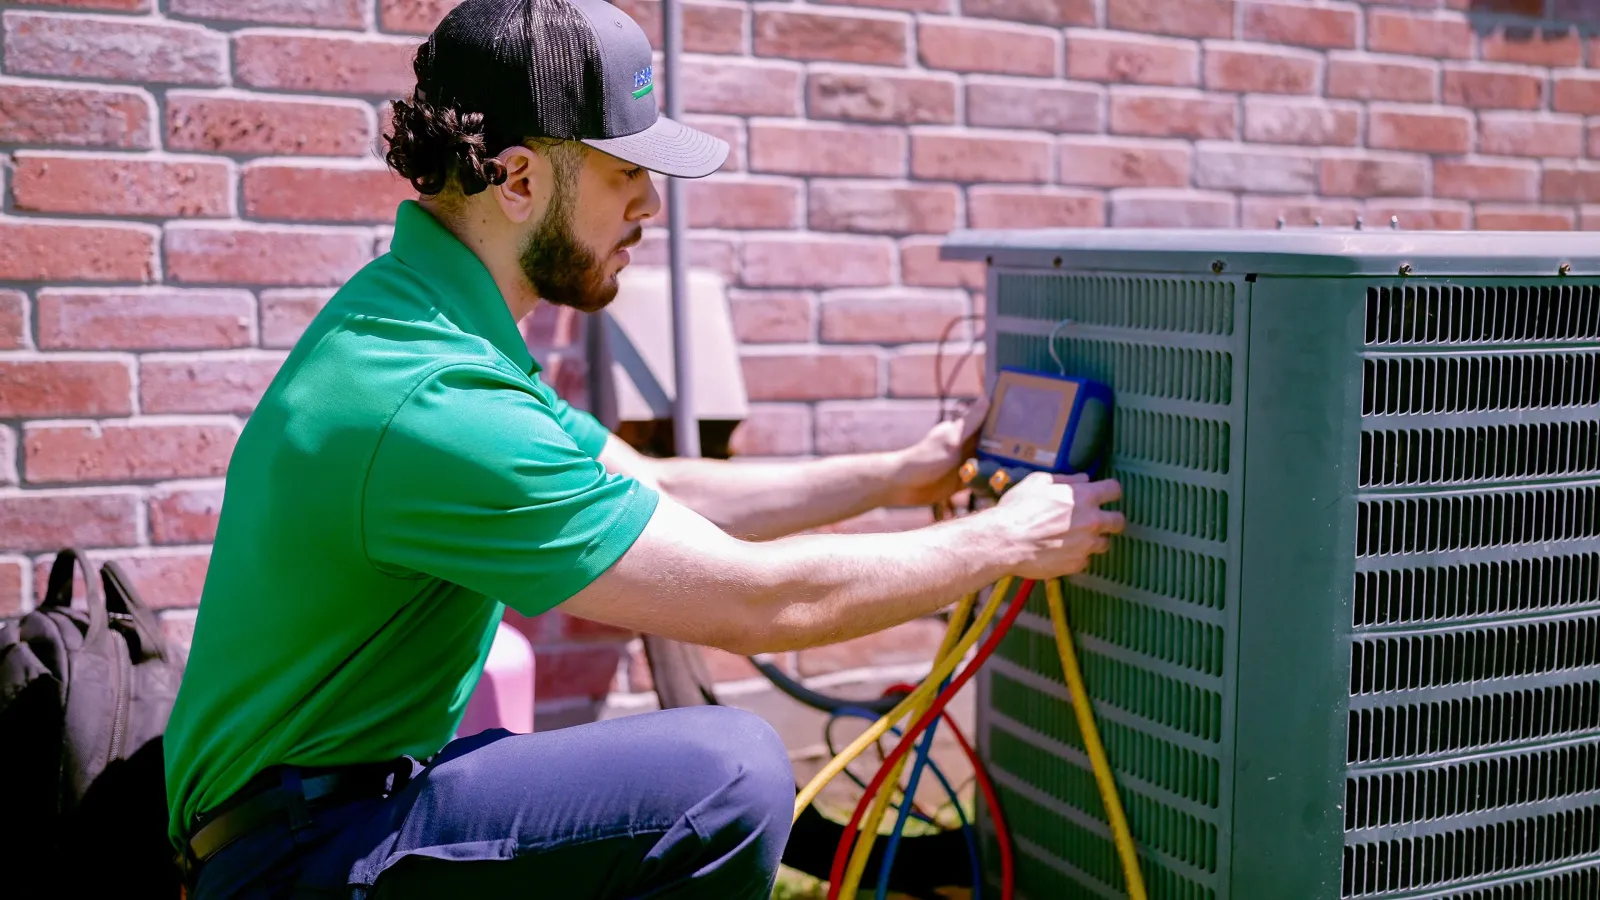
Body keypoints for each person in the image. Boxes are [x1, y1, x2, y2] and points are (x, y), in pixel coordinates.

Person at [160, 0, 1125, 896]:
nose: (651, 209)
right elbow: (760, 602)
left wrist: (896, 474)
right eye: (626, 173)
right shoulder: (434, 400)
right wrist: (1004, 542)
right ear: (521, 177)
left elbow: (656, 483)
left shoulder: (421, 326)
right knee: (727, 774)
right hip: (291, 861)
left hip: (313, 818)